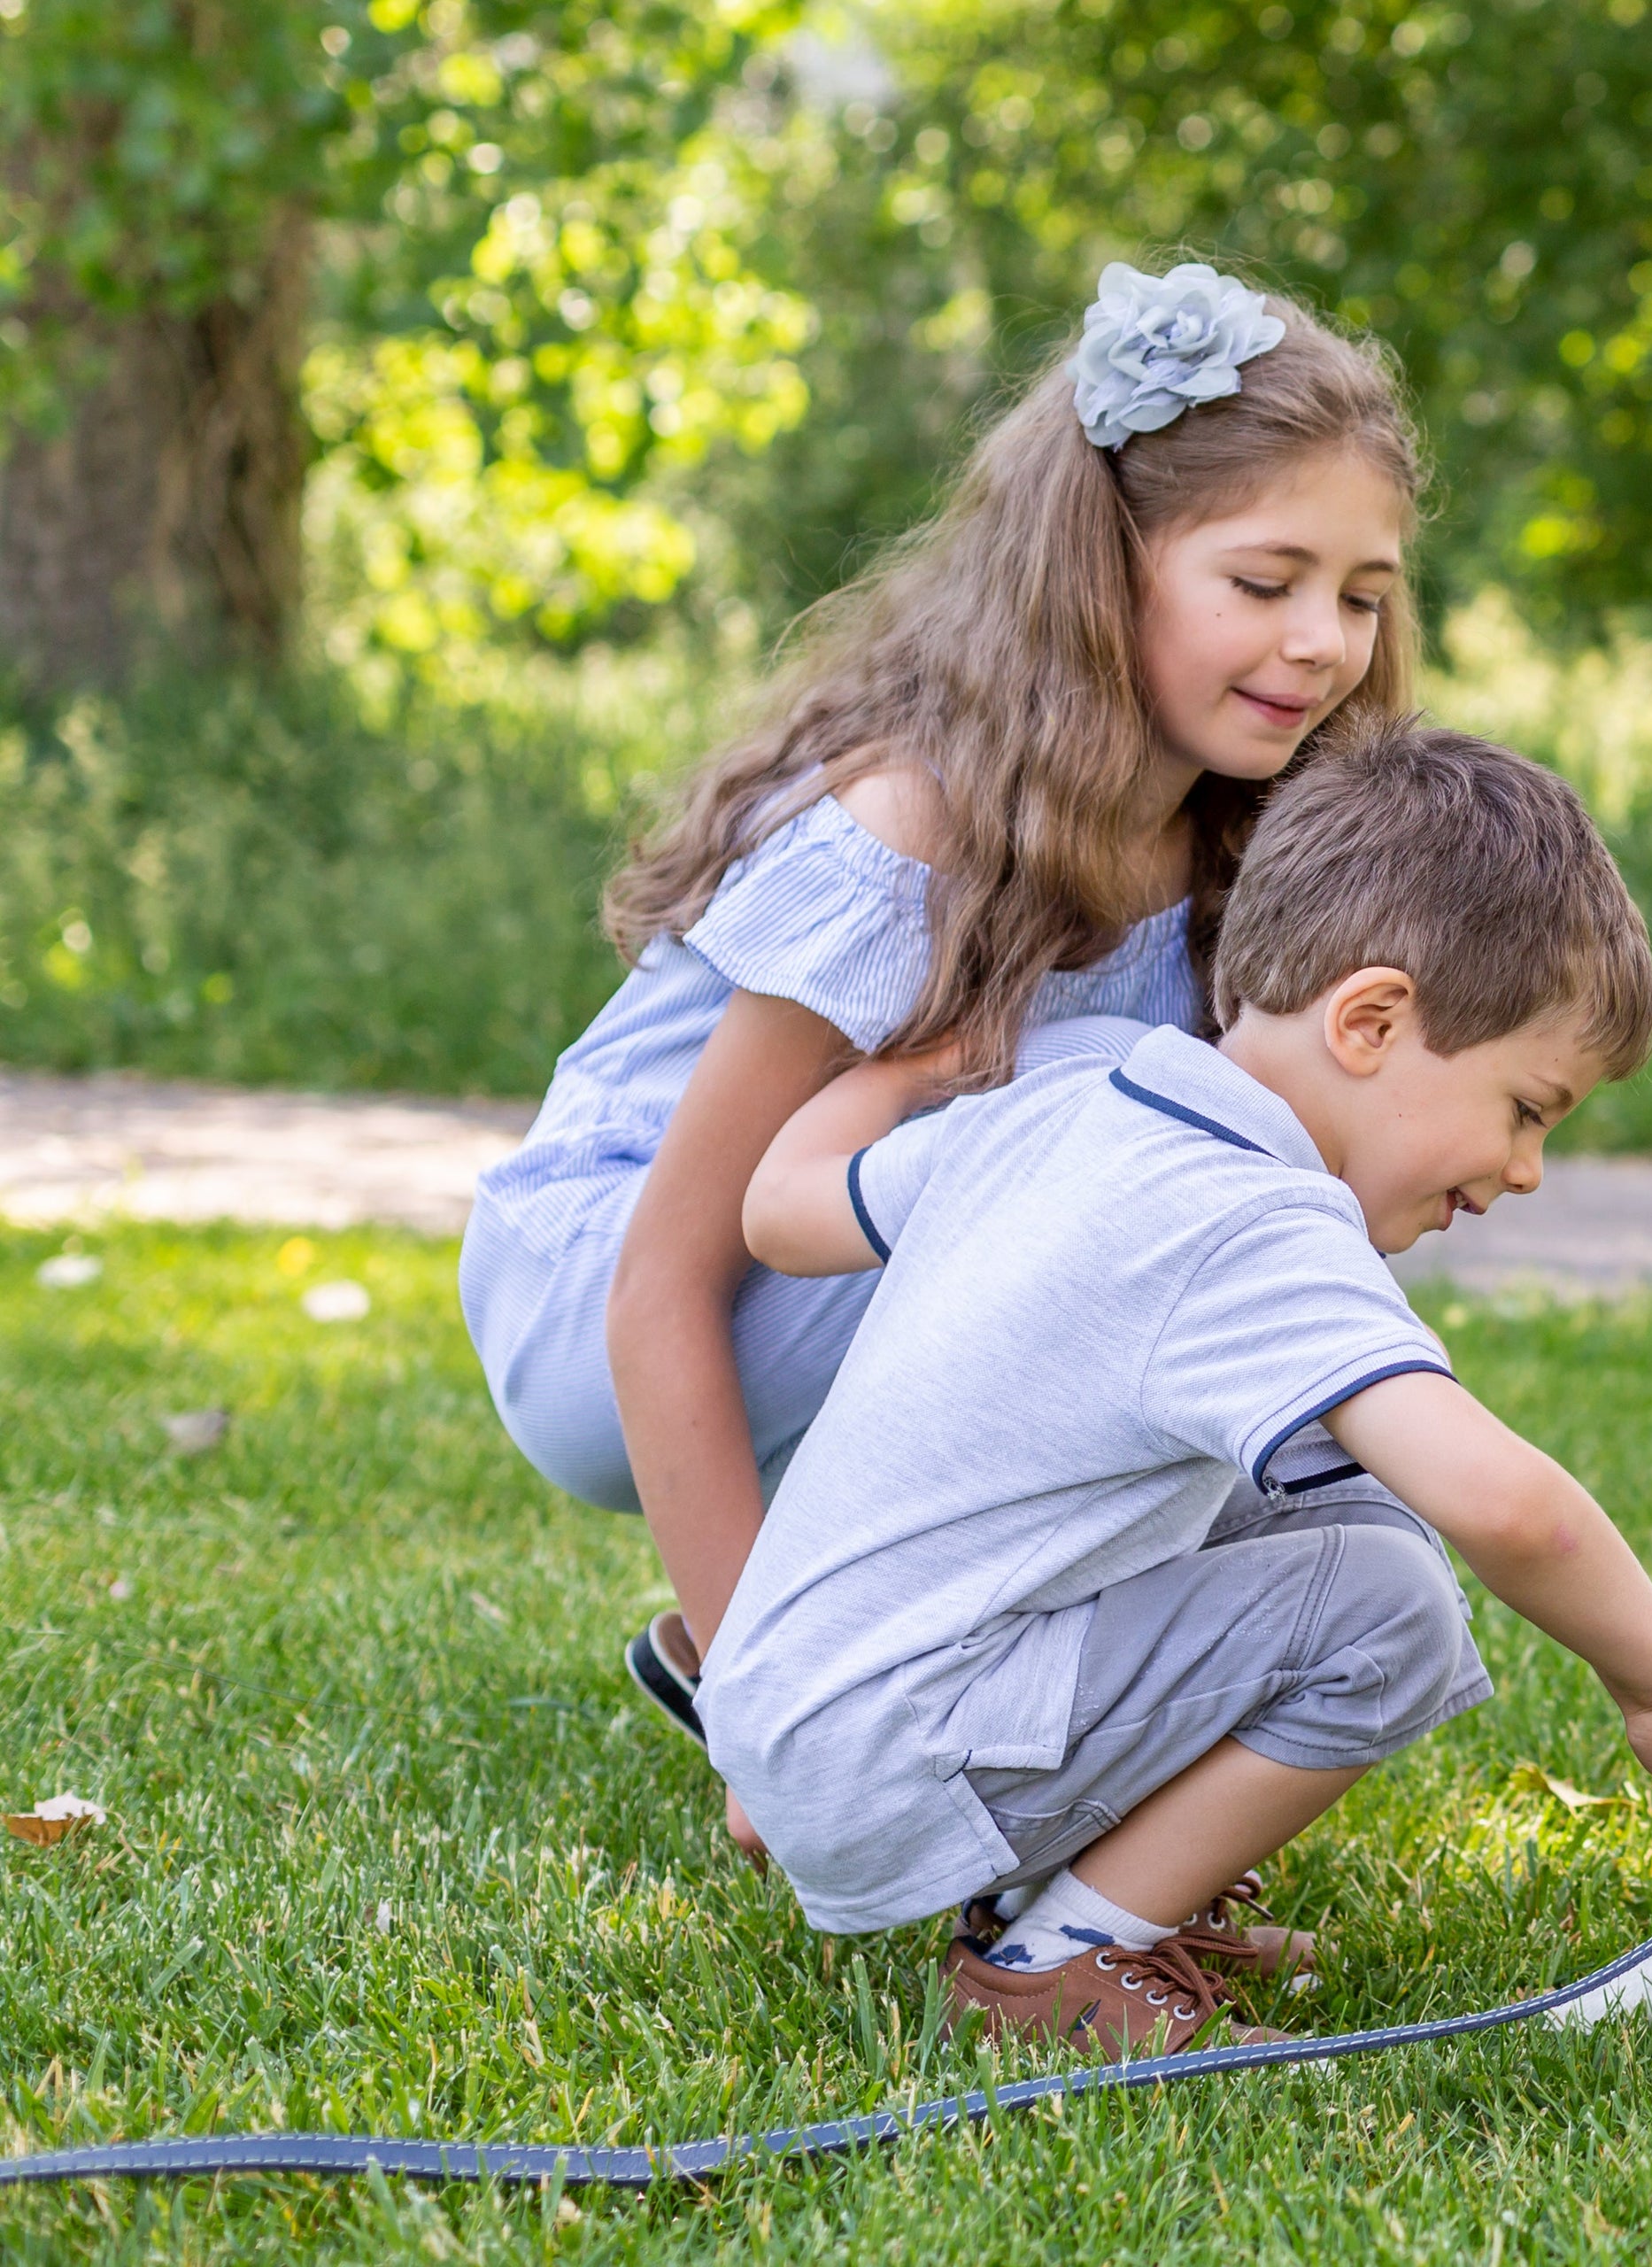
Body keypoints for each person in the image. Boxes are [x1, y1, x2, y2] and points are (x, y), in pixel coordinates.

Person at [709, 723, 1652, 2054]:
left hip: (802, 1723)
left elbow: (781, 1210)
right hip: (895, 1753)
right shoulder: (1251, 1222)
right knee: (1388, 1605)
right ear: (1370, 1022)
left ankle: (1085, 1891)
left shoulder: (1075, 1089)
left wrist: (905, 1073)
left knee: (1338, 1502)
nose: (1526, 1170)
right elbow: (1509, 1508)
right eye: (1527, 1108)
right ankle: (1051, 1963)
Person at [455, 265, 1417, 1806]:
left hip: (821, 1269)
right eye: (1263, 583)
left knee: (1196, 1215)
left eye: (1361, 598)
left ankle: (960, 1732)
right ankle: (786, 1668)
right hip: (609, 1295)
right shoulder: (914, 829)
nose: (1321, 642)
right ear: (1101, 570)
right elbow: (661, 1284)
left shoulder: (1243, 846)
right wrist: (775, 1727)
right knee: (1131, 1192)